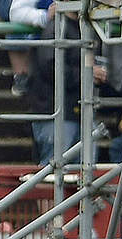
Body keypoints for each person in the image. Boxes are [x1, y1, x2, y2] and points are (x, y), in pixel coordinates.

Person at [25, 12, 104, 165]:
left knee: (82, 172)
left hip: (79, 111)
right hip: (56, 111)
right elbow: (50, 67)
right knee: (54, 171)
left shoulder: (86, 28)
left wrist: (91, 73)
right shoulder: (56, 27)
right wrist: (87, 73)